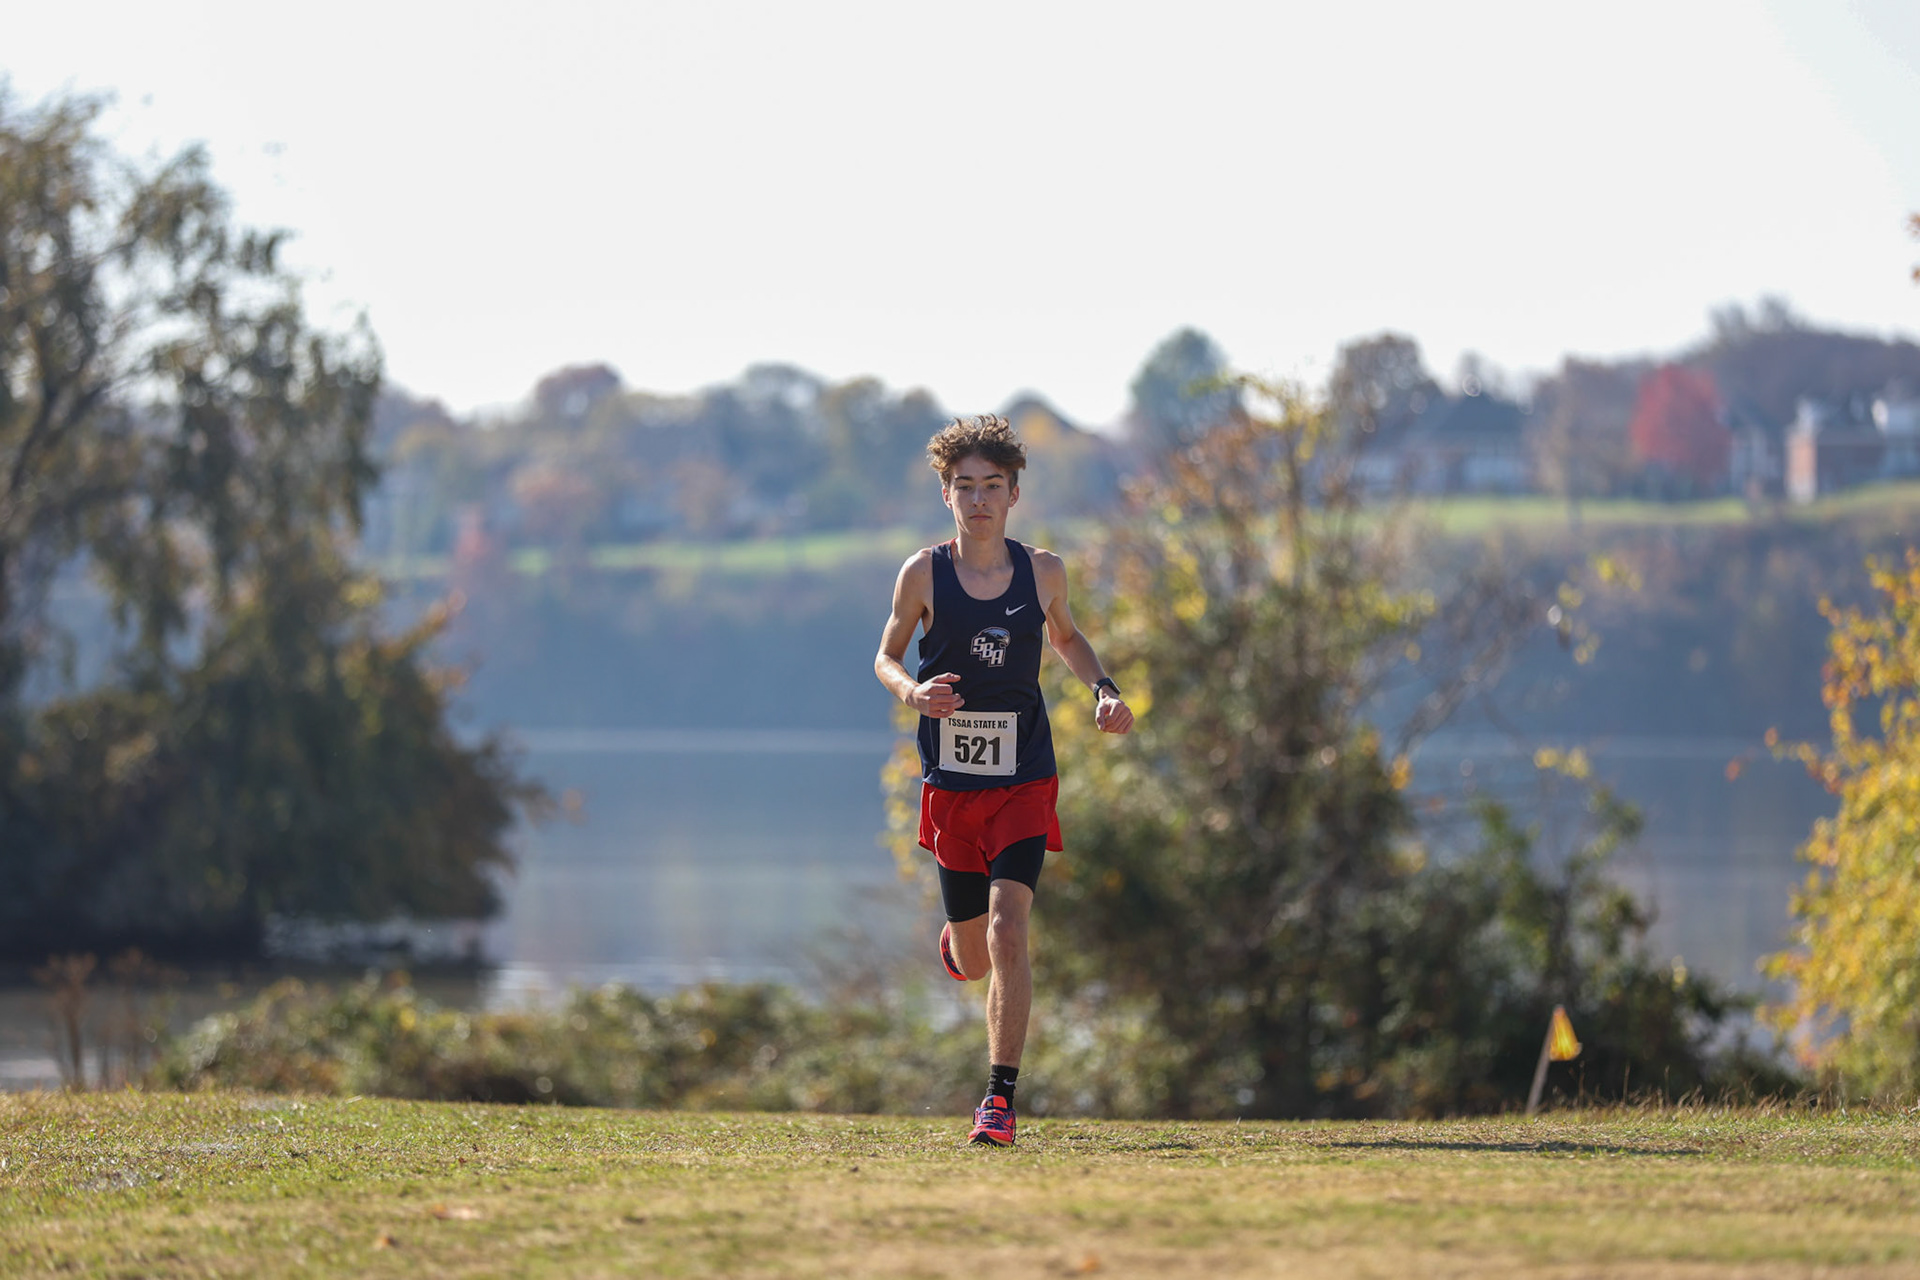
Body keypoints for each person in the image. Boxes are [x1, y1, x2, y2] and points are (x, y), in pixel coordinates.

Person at [873, 414, 1134, 1147]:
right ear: (946, 495)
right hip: (952, 786)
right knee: (975, 952)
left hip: (1024, 778)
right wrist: (912, 694)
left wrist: (1102, 690)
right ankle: (958, 949)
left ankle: (998, 1102)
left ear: (1014, 493)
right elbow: (885, 656)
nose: (979, 499)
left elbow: (1069, 636)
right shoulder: (922, 573)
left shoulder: (1041, 570)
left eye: (992, 486)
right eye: (965, 487)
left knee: (1010, 931)